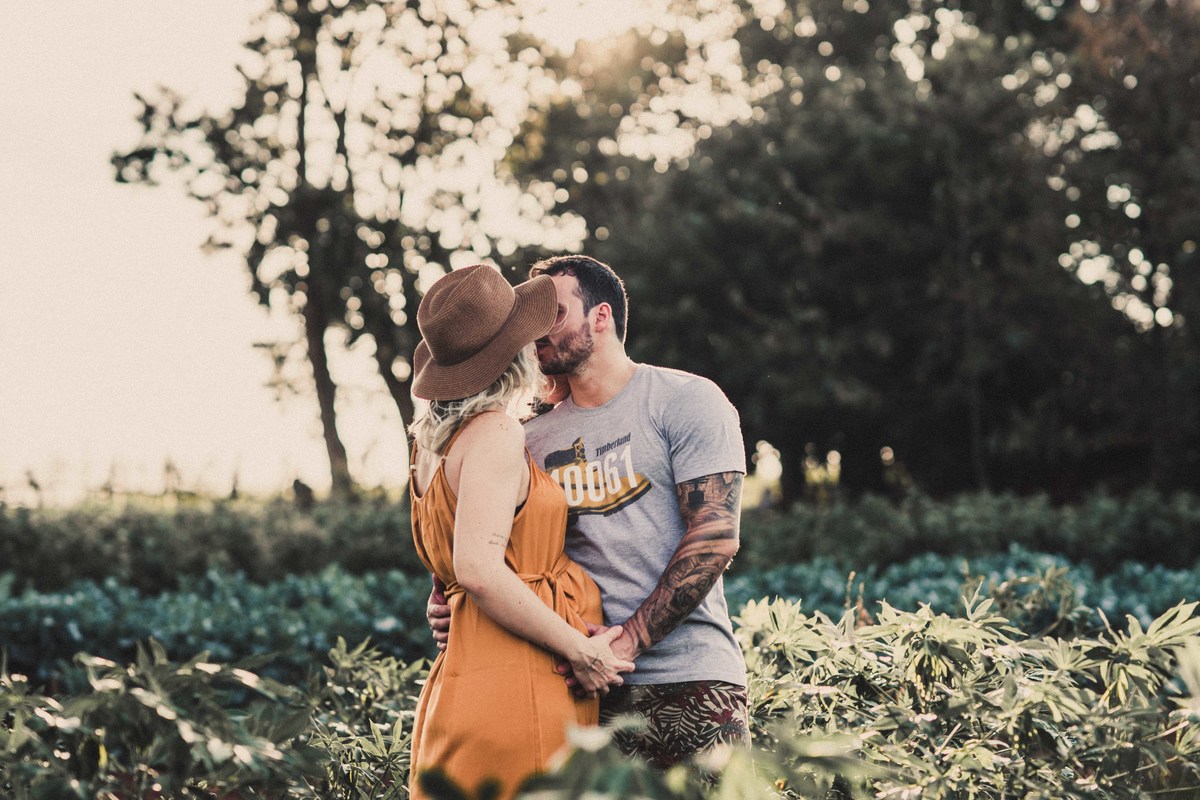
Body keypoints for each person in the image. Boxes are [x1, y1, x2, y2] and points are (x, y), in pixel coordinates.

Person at [428, 255, 749, 769]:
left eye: (551, 314)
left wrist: (629, 640)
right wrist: (449, 598)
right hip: (574, 685)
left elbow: (715, 536)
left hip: (688, 677)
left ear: (601, 316)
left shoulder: (685, 400)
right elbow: (496, 546)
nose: (535, 332)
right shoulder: (526, 437)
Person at [406, 264, 635, 800]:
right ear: (515, 353)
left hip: (466, 667)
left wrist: (445, 598)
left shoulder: (429, 445)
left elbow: (457, 562)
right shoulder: (495, 433)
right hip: (519, 672)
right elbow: (479, 570)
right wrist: (584, 652)